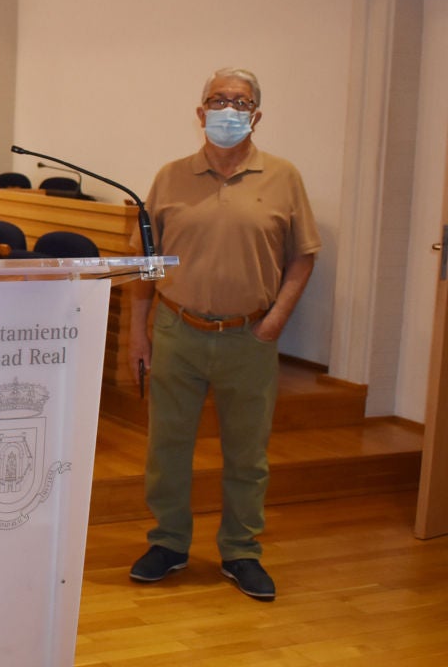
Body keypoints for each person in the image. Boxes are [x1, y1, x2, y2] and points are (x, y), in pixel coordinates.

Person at [127, 68, 321, 602]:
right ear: (200, 112)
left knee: (247, 453)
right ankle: (168, 543)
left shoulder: (283, 177)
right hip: (178, 329)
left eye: (241, 101)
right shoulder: (170, 177)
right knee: (167, 446)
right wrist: (138, 336)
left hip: (249, 337)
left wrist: (276, 320)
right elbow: (145, 263)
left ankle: (240, 550)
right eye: (218, 100)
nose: (229, 109)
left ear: (256, 115)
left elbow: (303, 257)